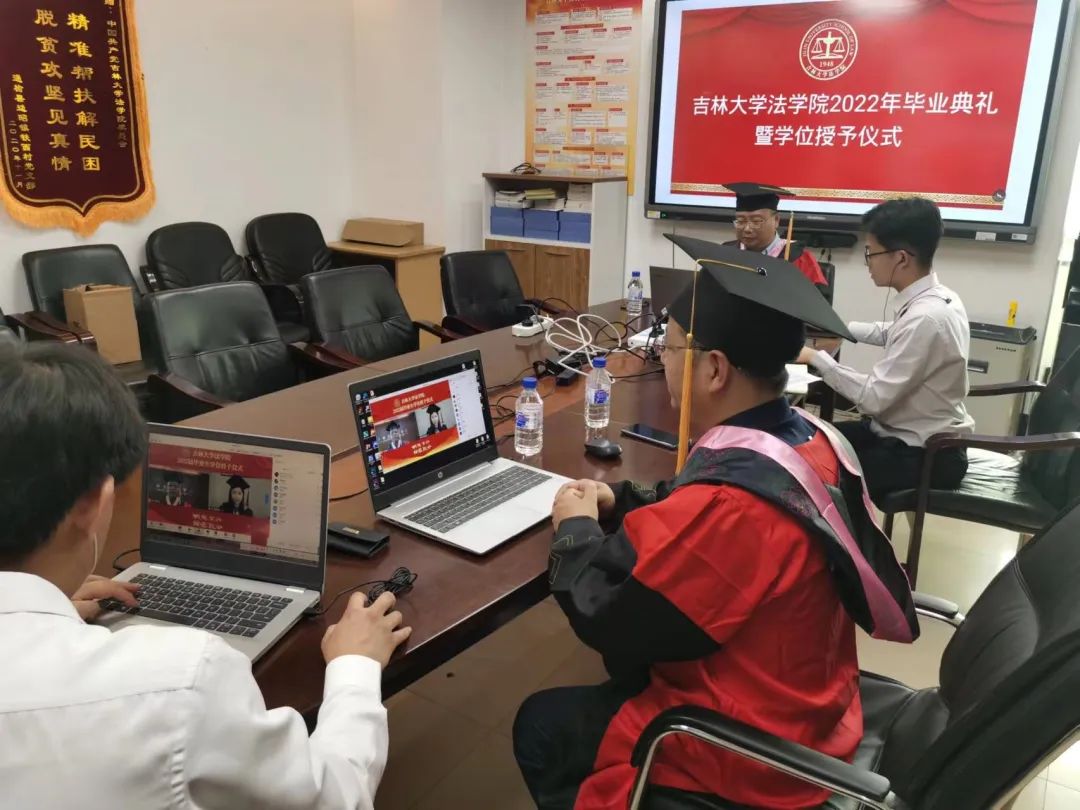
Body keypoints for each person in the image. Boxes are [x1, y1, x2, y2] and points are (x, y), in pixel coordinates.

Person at [513, 239, 916, 810]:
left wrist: (575, 530)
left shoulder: (731, 508)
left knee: (540, 726)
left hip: (753, 743)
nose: (663, 361)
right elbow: (704, 498)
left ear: (715, 369)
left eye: (671, 348)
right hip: (816, 699)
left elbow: (614, 617)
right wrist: (619, 499)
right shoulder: (814, 439)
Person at [0, 342, 411, 809]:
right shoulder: (181, 681)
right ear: (94, 502)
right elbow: (335, 798)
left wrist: (46, 603)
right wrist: (354, 666)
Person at [798, 196, 973, 504]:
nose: (868, 262)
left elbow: (875, 398)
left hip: (923, 455)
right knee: (808, 441)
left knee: (811, 471)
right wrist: (840, 329)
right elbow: (892, 332)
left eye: (871, 253)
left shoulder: (926, 318)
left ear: (901, 258)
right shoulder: (936, 298)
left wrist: (815, 358)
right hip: (903, 436)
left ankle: (847, 536)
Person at [722, 181, 828, 289]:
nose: (747, 229)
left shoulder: (799, 259)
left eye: (756, 221)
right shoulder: (725, 253)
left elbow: (816, 298)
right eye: (740, 221)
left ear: (776, 220)